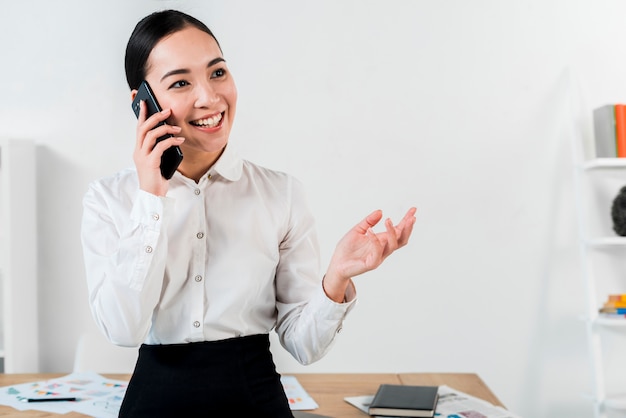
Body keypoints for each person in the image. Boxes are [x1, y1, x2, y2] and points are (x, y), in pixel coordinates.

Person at [81, 9, 416, 417]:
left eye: (217, 73)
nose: (209, 97)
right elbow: (122, 329)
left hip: (255, 403)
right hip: (154, 404)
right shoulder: (108, 200)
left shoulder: (281, 194)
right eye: (181, 82)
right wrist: (151, 197)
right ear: (142, 104)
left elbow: (304, 345)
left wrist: (336, 279)